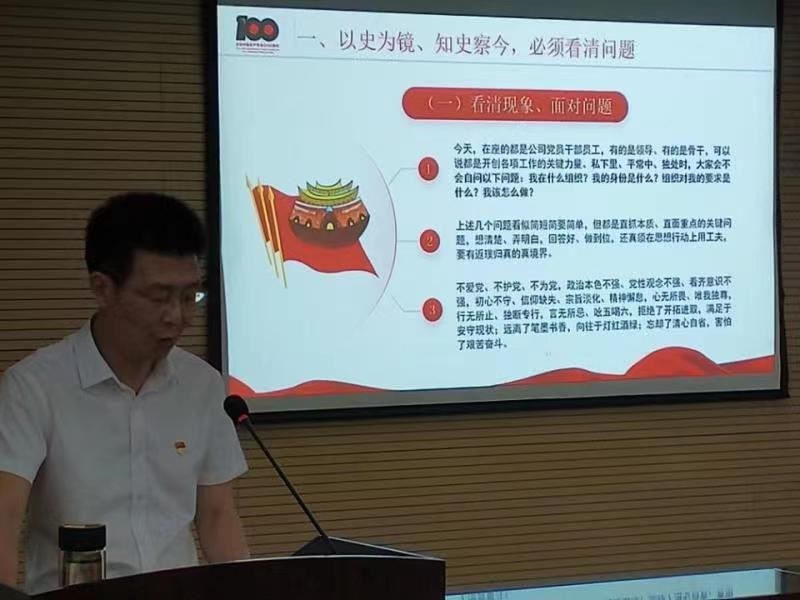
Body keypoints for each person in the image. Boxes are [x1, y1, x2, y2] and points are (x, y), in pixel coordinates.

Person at [0, 192, 250, 594]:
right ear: (103, 288)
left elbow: (218, 515)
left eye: (189, 297)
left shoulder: (202, 385)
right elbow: (5, 517)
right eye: (158, 298)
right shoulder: (34, 387)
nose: (177, 316)